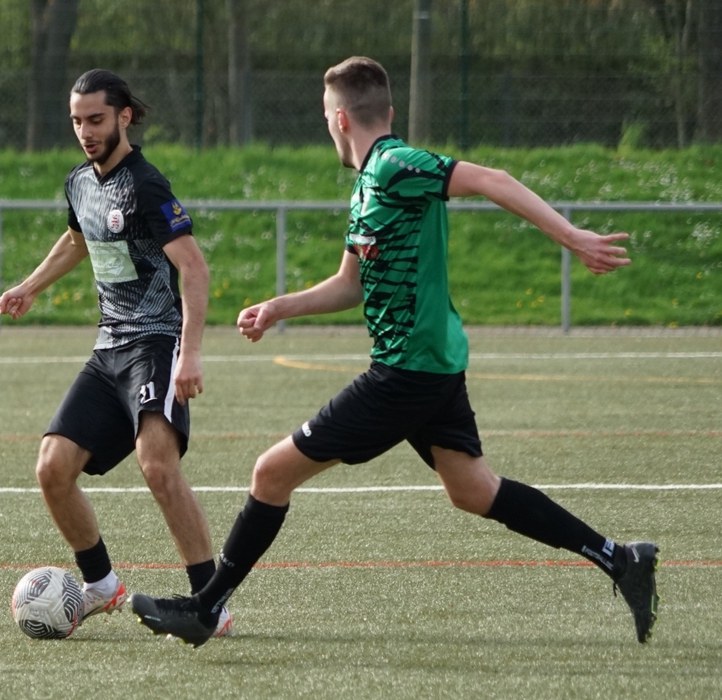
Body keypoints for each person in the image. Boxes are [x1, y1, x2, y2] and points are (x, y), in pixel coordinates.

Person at [130, 56, 658, 647]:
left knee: (271, 472)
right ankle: (621, 559)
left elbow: (493, 179)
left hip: (406, 371)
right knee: (473, 490)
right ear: (387, 109)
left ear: (339, 118)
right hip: (430, 367)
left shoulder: (395, 165)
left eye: (324, 115)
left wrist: (573, 237)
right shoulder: (368, 187)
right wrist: (280, 307)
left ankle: (205, 609)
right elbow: (350, 284)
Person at [0, 69, 230, 637]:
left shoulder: (146, 185)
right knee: (52, 468)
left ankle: (209, 603)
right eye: (76, 121)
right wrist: (29, 286)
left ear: (124, 116)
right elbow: (78, 238)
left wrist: (191, 353)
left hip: (156, 342)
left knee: (158, 465)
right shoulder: (78, 182)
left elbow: (194, 267)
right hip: (109, 346)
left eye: (95, 120)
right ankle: (101, 584)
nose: (85, 132)